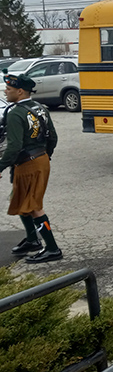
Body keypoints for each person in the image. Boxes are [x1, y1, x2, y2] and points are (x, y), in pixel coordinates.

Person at [0, 72, 61, 263]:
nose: (5, 91)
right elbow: (53, 137)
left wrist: (0, 166)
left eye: (8, 89)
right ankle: (33, 240)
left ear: (19, 91)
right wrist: (45, 155)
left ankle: (52, 248)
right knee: (19, 199)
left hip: (28, 163)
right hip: (39, 159)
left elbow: (14, 146)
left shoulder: (16, 113)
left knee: (34, 206)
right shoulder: (40, 107)